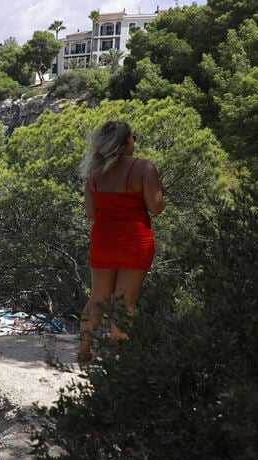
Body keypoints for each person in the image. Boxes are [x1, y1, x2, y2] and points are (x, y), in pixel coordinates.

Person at [79, 120, 166, 363]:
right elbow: (156, 208)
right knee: (125, 302)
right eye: (133, 138)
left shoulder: (94, 172)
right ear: (126, 141)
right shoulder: (144, 168)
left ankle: (84, 352)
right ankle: (118, 358)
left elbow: (90, 212)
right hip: (135, 240)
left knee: (97, 298)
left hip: (104, 238)